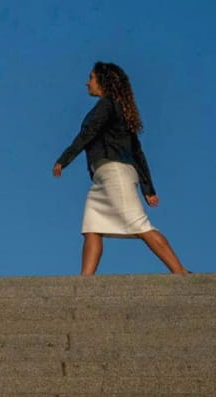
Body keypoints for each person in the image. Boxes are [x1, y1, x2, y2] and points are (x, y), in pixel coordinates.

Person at [52, 62, 187, 275]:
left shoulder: (107, 105)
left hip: (115, 173)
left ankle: (180, 272)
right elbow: (137, 152)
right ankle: (84, 282)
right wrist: (148, 188)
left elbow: (89, 134)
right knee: (92, 228)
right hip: (104, 177)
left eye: (91, 78)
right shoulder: (118, 110)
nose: (87, 83)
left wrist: (64, 159)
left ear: (103, 81)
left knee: (141, 226)